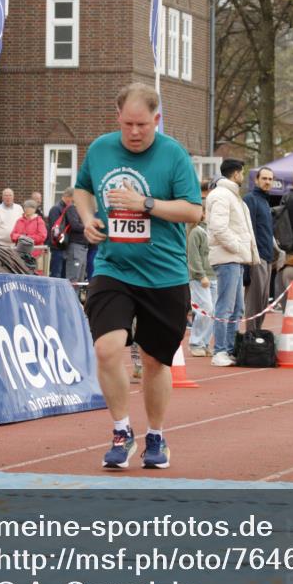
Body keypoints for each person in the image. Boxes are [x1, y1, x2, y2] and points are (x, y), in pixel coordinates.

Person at [74, 82, 202, 471]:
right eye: (127, 124)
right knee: (106, 349)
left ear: (156, 120)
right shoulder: (100, 149)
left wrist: (145, 203)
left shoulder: (173, 155)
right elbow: (81, 190)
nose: (134, 132)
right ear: (118, 119)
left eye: (142, 125)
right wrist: (88, 219)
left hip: (164, 273)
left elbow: (194, 212)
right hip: (115, 268)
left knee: (154, 360)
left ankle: (157, 435)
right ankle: (120, 430)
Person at [206, 158, 260, 367]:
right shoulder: (222, 196)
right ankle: (220, 350)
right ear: (236, 173)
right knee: (225, 306)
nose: (243, 177)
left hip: (235, 258)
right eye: (241, 173)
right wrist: (238, 246)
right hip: (228, 257)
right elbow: (219, 228)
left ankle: (228, 349)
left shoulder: (234, 197)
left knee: (236, 308)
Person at [243, 167, 275, 327]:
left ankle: (257, 335)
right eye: (264, 178)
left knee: (263, 301)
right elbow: (249, 231)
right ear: (256, 180)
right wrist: (250, 260)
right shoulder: (250, 199)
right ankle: (251, 337)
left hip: (267, 258)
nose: (267, 182)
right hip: (256, 258)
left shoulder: (265, 201)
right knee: (254, 302)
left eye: (270, 179)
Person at [187, 192, 216, 357]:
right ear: (203, 213)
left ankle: (205, 343)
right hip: (201, 278)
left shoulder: (212, 231)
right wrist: (200, 275)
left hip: (215, 276)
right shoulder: (196, 232)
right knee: (205, 309)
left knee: (213, 312)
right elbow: (193, 256)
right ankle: (195, 342)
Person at [47, 188, 74, 279]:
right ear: (67, 197)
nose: (73, 202)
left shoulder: (64, 208)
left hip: (64, 245)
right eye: (72, 199)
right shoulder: (56, 209)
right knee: (56, 273)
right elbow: (55, 230)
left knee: (63, 274)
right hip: (58, 246)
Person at [10, 199, 48, 264]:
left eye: (30, 207)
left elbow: (42, 236)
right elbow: (12, 235)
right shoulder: (19, 220)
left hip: (35, 254)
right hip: (20, 254)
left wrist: (26, 238)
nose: (27, 209)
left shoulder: (39, 221)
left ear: (34, 209)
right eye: (25, 207)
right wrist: (21, 237)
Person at [64, 195, 90, 286]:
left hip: (84, 247)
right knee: (73, 279)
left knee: (80, 279)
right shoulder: (72, 208)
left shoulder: (83, 210)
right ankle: (69, 300)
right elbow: (74, 225)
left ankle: (75, 300)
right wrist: (89, 226)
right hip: (76, 246)